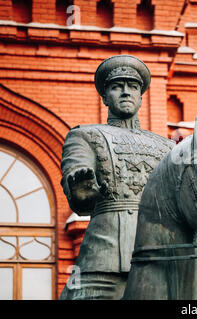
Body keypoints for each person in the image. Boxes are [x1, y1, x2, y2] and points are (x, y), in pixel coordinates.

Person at [59, 55, 175, 299]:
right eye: (116, 87)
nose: (125, 92)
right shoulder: (85, 136)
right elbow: (78, 187)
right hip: (103, 259)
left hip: (159, 259)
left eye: (132, 87)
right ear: (104, 97)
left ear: (141, 97)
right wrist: (81, 187)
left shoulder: (167, 148)